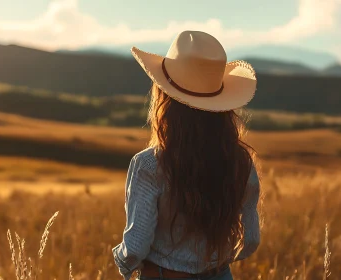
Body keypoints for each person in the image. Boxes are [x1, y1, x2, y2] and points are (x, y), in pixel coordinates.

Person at [112, 30, 261, 280]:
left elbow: (136, 246)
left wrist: (122, 261)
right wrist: (214, 261)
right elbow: (251, 240)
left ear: (164, 100)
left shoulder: (149, 164)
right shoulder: (240, 162)